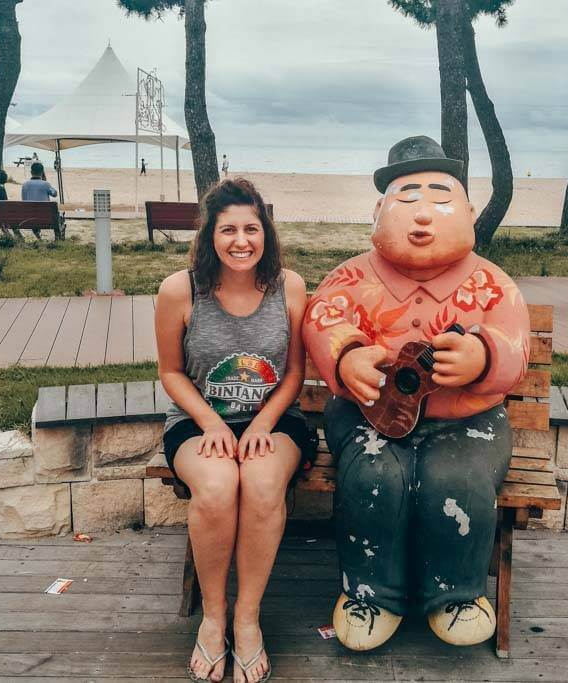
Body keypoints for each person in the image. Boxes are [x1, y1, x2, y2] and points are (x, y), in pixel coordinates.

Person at [302, 136, 531, 652]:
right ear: (379, 211)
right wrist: (347, 356)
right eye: (406, 200)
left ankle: (456, 593)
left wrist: (483, 357)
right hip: (368, 416)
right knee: (373, 473)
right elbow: (324, 317)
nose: (423, 216)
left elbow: (515, 344)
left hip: (466, 422)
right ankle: (368, 593)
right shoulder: (352, 276)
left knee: (459, 477)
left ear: (469, 211)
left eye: (440, 199)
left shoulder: (492, 284)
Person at [155, 178, 313, 683]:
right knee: (220, 484)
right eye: (228, 230)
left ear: (265, 232)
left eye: (251, 228)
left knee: (264, 483)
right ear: (210, 235)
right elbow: (171, 371)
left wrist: (264, 421)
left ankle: (248, 619)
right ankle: (213, 616)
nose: (241, 240)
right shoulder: (180, 290)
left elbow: (294, 374)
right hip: (199, 421)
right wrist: (211, 422)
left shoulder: (289, 286)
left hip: (275, 419)